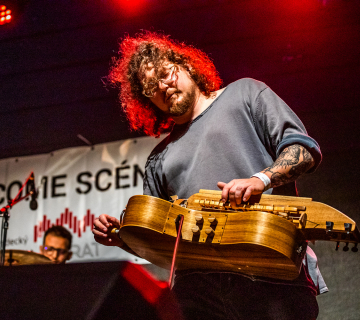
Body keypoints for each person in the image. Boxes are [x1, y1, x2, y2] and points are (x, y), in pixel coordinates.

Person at [92, 31, 327, 320]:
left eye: (166, 73)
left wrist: (260, 180)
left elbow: (304, 149)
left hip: (271, 271)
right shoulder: (158, 159)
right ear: (146, 99)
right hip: (197, 293)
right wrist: (121, 237)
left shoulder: (245, 92)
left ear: (187, 66)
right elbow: (160, 239)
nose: (163, 86)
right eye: (151, 86)